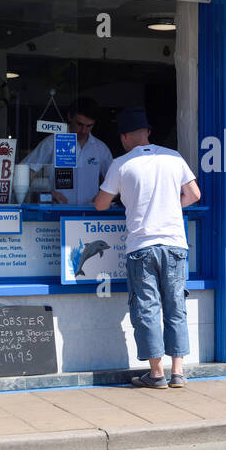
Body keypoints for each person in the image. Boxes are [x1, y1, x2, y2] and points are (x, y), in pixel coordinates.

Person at [94, 107, 201, 389]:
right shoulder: (173, 157)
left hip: (141, 246)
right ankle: (178, 372)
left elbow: (100, 204)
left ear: (125, 137)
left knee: (147, 308)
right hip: (175, 244)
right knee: (176, 306)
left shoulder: (121, 164)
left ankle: (156, 374)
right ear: (149, 133)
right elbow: (194, 194)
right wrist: (169, 207)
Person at [21, 97, 113, 205]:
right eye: (79, 124)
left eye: (89, 126)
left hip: (89, 215)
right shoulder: (52, 142)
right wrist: (45, 192)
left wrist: (104, 196)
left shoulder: (100, 148)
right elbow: (25, 172)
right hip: (57, 213)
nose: (83, 130)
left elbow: (115, 181)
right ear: (70, 117)